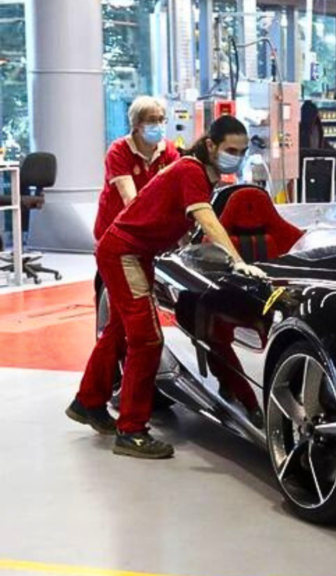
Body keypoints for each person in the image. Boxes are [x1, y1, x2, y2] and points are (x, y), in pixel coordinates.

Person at [66, 116, 266, 459]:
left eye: (243, 150)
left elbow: (184, 220)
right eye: (231, 149)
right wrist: (236, 260)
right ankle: (131, 430)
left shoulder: (200, 174)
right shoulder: (191, 171)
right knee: (146, 339)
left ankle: (88, 401)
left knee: (117, 331)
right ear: (210, 145)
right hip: (126, 252)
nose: (238, 156)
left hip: (131, 251)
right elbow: (204, 216)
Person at [94, 96, 179, 298]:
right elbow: (131, 201)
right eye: (151, 120)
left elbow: (176, 193)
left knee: (145, 289)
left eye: (161, 119)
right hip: (116, 229)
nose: (158, 125)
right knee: (123, 292)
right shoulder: (119, 151)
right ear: (137, 124)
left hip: (152, 229)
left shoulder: (169, 152)